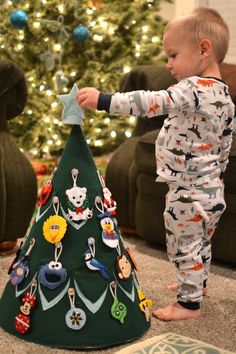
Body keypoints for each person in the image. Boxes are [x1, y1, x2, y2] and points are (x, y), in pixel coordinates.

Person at [77, 7, 235, 321]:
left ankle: (188, 305)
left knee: (181, 244)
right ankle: (197, 285)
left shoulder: (191, 90)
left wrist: (105, 100)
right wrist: (214, 178)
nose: (168, 64)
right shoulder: (224, 98)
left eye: (174, 55)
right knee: (200, 241)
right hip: (212, 190)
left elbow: (149, 102)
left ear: (204, 50)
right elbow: (225, 145)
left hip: (188, 191)